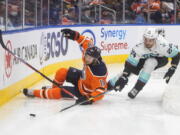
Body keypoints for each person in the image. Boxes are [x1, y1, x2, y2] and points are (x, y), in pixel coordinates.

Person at [22, 29, 108, 105]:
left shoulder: (99, 72)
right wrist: (75, 35)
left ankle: (35, 93)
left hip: (84, 92)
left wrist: (89, 98)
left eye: (89, 58)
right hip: (82, 80)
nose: (86, 59)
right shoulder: (88, 53)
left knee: (59, 92)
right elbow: (87, 41)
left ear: (95, 59)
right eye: (86, 56)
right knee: (62, 72)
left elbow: (100, 91)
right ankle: (52, 90)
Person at [108, 28, 180, 99]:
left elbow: (177, 55)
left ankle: (137, 88)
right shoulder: (138, 46)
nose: (147, 42)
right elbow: (130, 65)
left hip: (161, 59)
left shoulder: (164, 45)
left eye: (150, 40)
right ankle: (109, 85)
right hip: (142, 59)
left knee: (150, 63)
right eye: (146, 39)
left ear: (155, 39)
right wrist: (124, 76)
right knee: (127, 72)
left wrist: (173, 68)